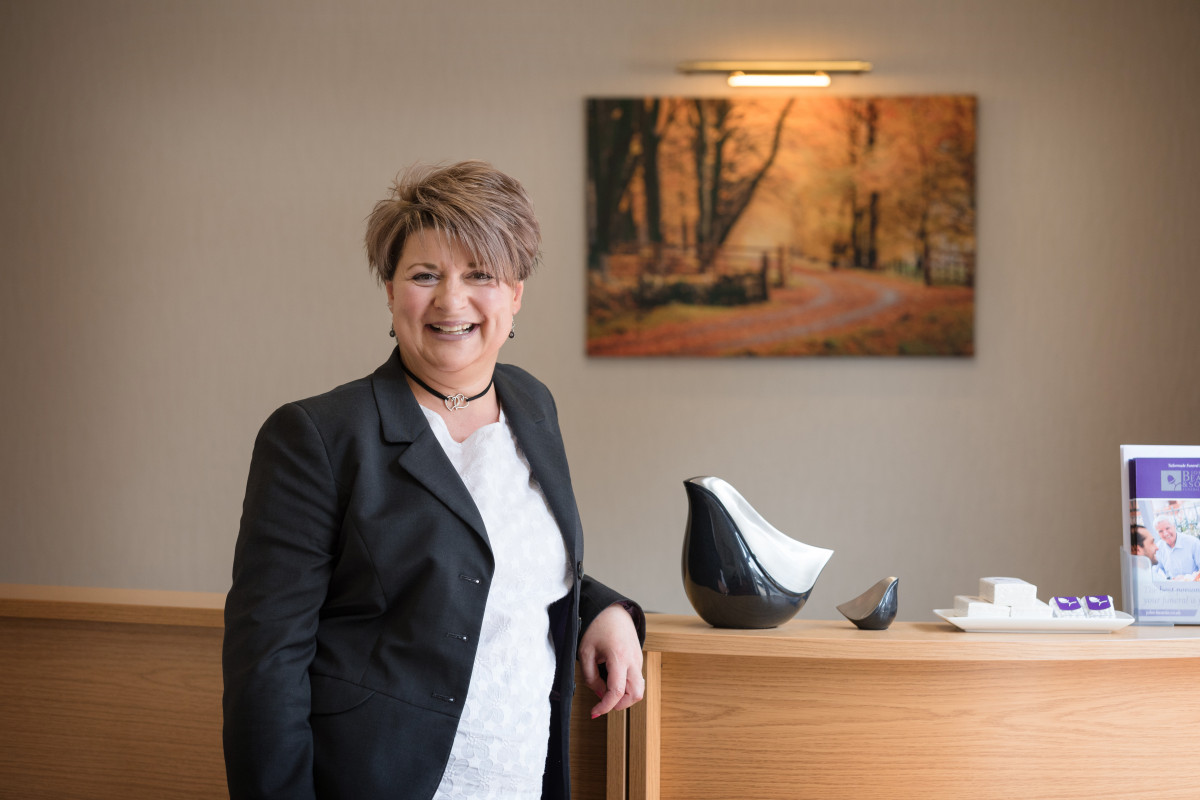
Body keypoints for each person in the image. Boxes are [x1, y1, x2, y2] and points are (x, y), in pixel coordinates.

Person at [222, 161, 646, 800]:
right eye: (425, 275)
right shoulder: (316, 435)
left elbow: (495, 552)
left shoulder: (532, 405)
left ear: (516, 294)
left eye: (480, 275)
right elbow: (267, 668)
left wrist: (599, 608)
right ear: (390, 291)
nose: (452, 301)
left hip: (522, 776)